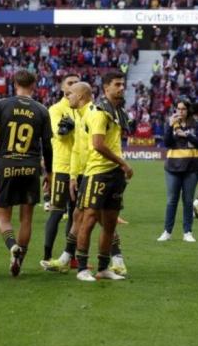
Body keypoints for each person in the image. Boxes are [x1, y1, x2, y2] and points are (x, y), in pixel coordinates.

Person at [0, 70, 53, 277]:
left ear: (14, 83)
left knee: (3, 216)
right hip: (31, 166)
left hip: (7, 164)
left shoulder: (3, 104)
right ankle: (19, 258)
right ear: (34, 85)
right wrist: (50, 173)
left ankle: (12, 246)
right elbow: (47, 145)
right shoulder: (41, 110)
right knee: (26, 218)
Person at [46, 82, 128, 276]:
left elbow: (95, 146)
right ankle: (71, 258)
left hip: (96, 172)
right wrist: (74, 176)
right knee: (80, 216)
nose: (68, 96)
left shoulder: (93, 113)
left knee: (96, 218)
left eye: (71, 93)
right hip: (86, 172)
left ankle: (113, 260)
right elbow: (77, 148)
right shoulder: (80, 115)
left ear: (81, 95)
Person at [75, 71, 133, 282]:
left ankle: (102, 268)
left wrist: (119, 166)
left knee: (109, 224)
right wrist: (123, 163)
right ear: (106, 87)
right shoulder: (100, 112)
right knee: (89, 220)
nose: (121, 88)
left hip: (114, 174)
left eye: (123, 84)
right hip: (98, 173)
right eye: (117, 84)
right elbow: (98, 145)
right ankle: (82, 268)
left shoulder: (116, 111)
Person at [41, 73, 80, 269]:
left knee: (75, 214)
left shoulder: (83, 108)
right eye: (70, 83)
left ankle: (71, 257)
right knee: (57, 212)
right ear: (63, 87)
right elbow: (60, 134)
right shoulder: (56, 109)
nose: (74, 86)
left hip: (80, 167)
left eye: (76, 83)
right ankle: (47, 256)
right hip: (63, 167)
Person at [157, 99, 198, 242]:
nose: (180, 111)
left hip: (191, 167)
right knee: (172, 200)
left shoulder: (196, 125)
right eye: (178, 109)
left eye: (183, 109)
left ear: (188, 110)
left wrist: (187, 135)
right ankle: (167, 231)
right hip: (172, 167)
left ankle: (187, 232)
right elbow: (167, 143)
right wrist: (169, 127)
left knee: (188, 201)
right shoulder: (171, 123)